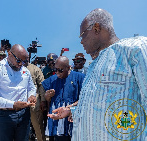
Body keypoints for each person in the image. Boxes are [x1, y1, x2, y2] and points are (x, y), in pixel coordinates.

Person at [48, 8, 147, 141]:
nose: (81, 41)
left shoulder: (135, 48)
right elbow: (96, 105)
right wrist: (72, 111)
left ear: (96, 28)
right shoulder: (94, 66)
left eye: (83, 35)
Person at [0, 44, 37, 141]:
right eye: (19, 60)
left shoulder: (26, 71)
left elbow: (31, 87)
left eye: (24, 61)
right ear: (9, 54)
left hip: (24, 115)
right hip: (3, 116)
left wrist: (32, 95)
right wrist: (13, 105)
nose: (21, 64)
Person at [42, 56, 85, 141]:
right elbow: (46, 98)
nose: (57, 73)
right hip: (57, 121)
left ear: (68, 68)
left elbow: (84, 98)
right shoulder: (52, 79)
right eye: (55, 70)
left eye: (60, 70)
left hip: (73, 118)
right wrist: (47, 95)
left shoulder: (79, 77)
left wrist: (70, 107)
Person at [24, 61, 46, 141]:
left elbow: (41, 85)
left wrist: (43, 100)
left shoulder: (35, 69)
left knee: (38, 126)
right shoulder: (14, 68)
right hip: (20, 103)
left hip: (34, 103)